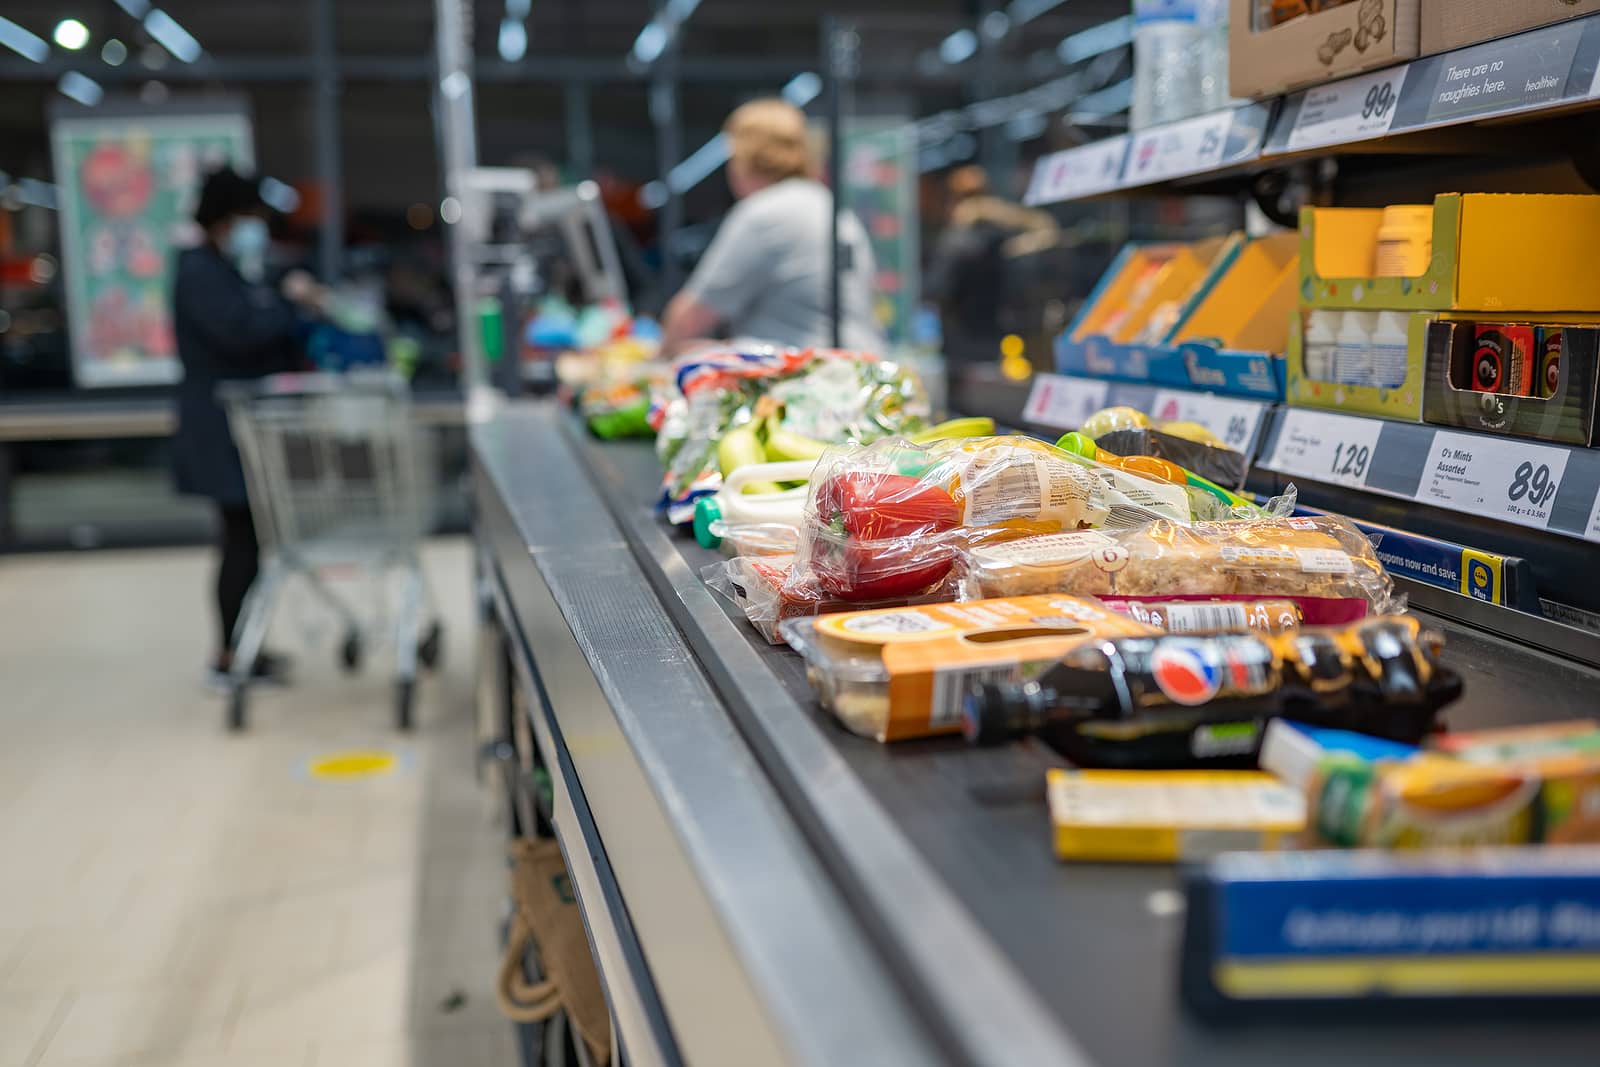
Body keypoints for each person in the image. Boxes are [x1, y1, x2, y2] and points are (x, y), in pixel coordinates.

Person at [171, 166, 325, 685]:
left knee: (251, 541)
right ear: (226, 217)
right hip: (221, 431)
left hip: (240, 429)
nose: (255, 227)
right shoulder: (199, 271)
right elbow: (242, 335)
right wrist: (290, 305)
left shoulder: (226, 268)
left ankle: (245, 645)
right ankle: (228, 653)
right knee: (239, 540)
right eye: (248, 217)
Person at [659, 98, 884, 356]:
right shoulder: (834, 209)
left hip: (802, 379)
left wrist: (659, 356)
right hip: (854, 366)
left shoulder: (764, 213)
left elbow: (691, 316)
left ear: (743, 157)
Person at [924, 165, 1057, 369]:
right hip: (1002, 340)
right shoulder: (1005, 230)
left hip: (962, 345)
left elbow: (938, 290)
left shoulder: (957, 239)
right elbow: (1047, 230)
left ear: (953, 198)